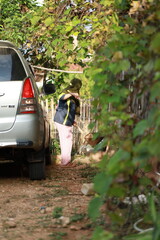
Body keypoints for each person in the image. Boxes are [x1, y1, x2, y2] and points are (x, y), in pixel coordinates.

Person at [54, 78, 82, 167]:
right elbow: (61, 97)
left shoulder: (73, 99)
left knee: (67, 140)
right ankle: (65, 162)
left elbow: (70, 111)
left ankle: (65, 161)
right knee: (66, 140)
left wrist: (73, 121)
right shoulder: (65, 93)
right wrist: (72, 94)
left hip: (67, 122)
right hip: (61, 121)